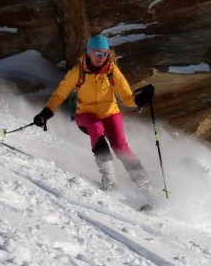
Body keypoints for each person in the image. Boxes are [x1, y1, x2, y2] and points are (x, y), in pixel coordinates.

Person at [33, 35, 155, 192]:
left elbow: (126, 98)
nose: (102, 57)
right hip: (85, 115)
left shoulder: (112, 71)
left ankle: (145, 187)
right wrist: (46, 113)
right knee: (96, 128)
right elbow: (59, 94)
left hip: (110, 113)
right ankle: (109, 181)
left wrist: (140, 99)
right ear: (89, 52)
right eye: (98, 54)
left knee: (120, 146)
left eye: (105, 54)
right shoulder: (78, 72)